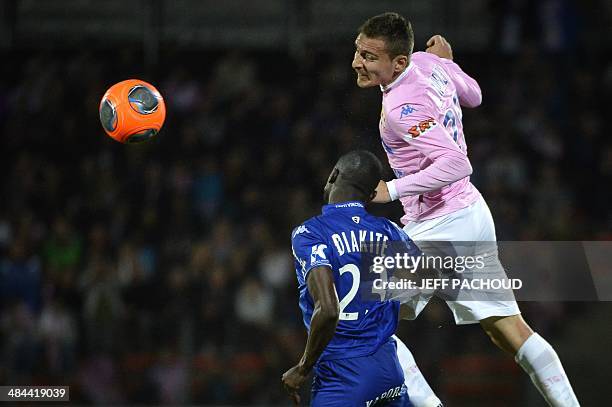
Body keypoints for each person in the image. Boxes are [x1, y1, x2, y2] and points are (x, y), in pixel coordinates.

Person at [351, 12, 579, 407]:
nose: (357, 62)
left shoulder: (402, 107)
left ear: (398, 62)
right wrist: (447, 63)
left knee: (360, 319)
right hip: (472, 212)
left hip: (441, 224)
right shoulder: (428, 63)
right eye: (358, 51)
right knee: (508, 329)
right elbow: (474, 96)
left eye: (370, 57)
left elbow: (457, 163)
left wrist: (392, 189)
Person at [282, 150, 413, 406]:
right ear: (372, 196)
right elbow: (422, 282)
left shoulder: (311, 232)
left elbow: (329, 310)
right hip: (389, 369)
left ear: (334, 175)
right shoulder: (390, 231)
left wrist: (303, 368)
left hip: (343, 376)